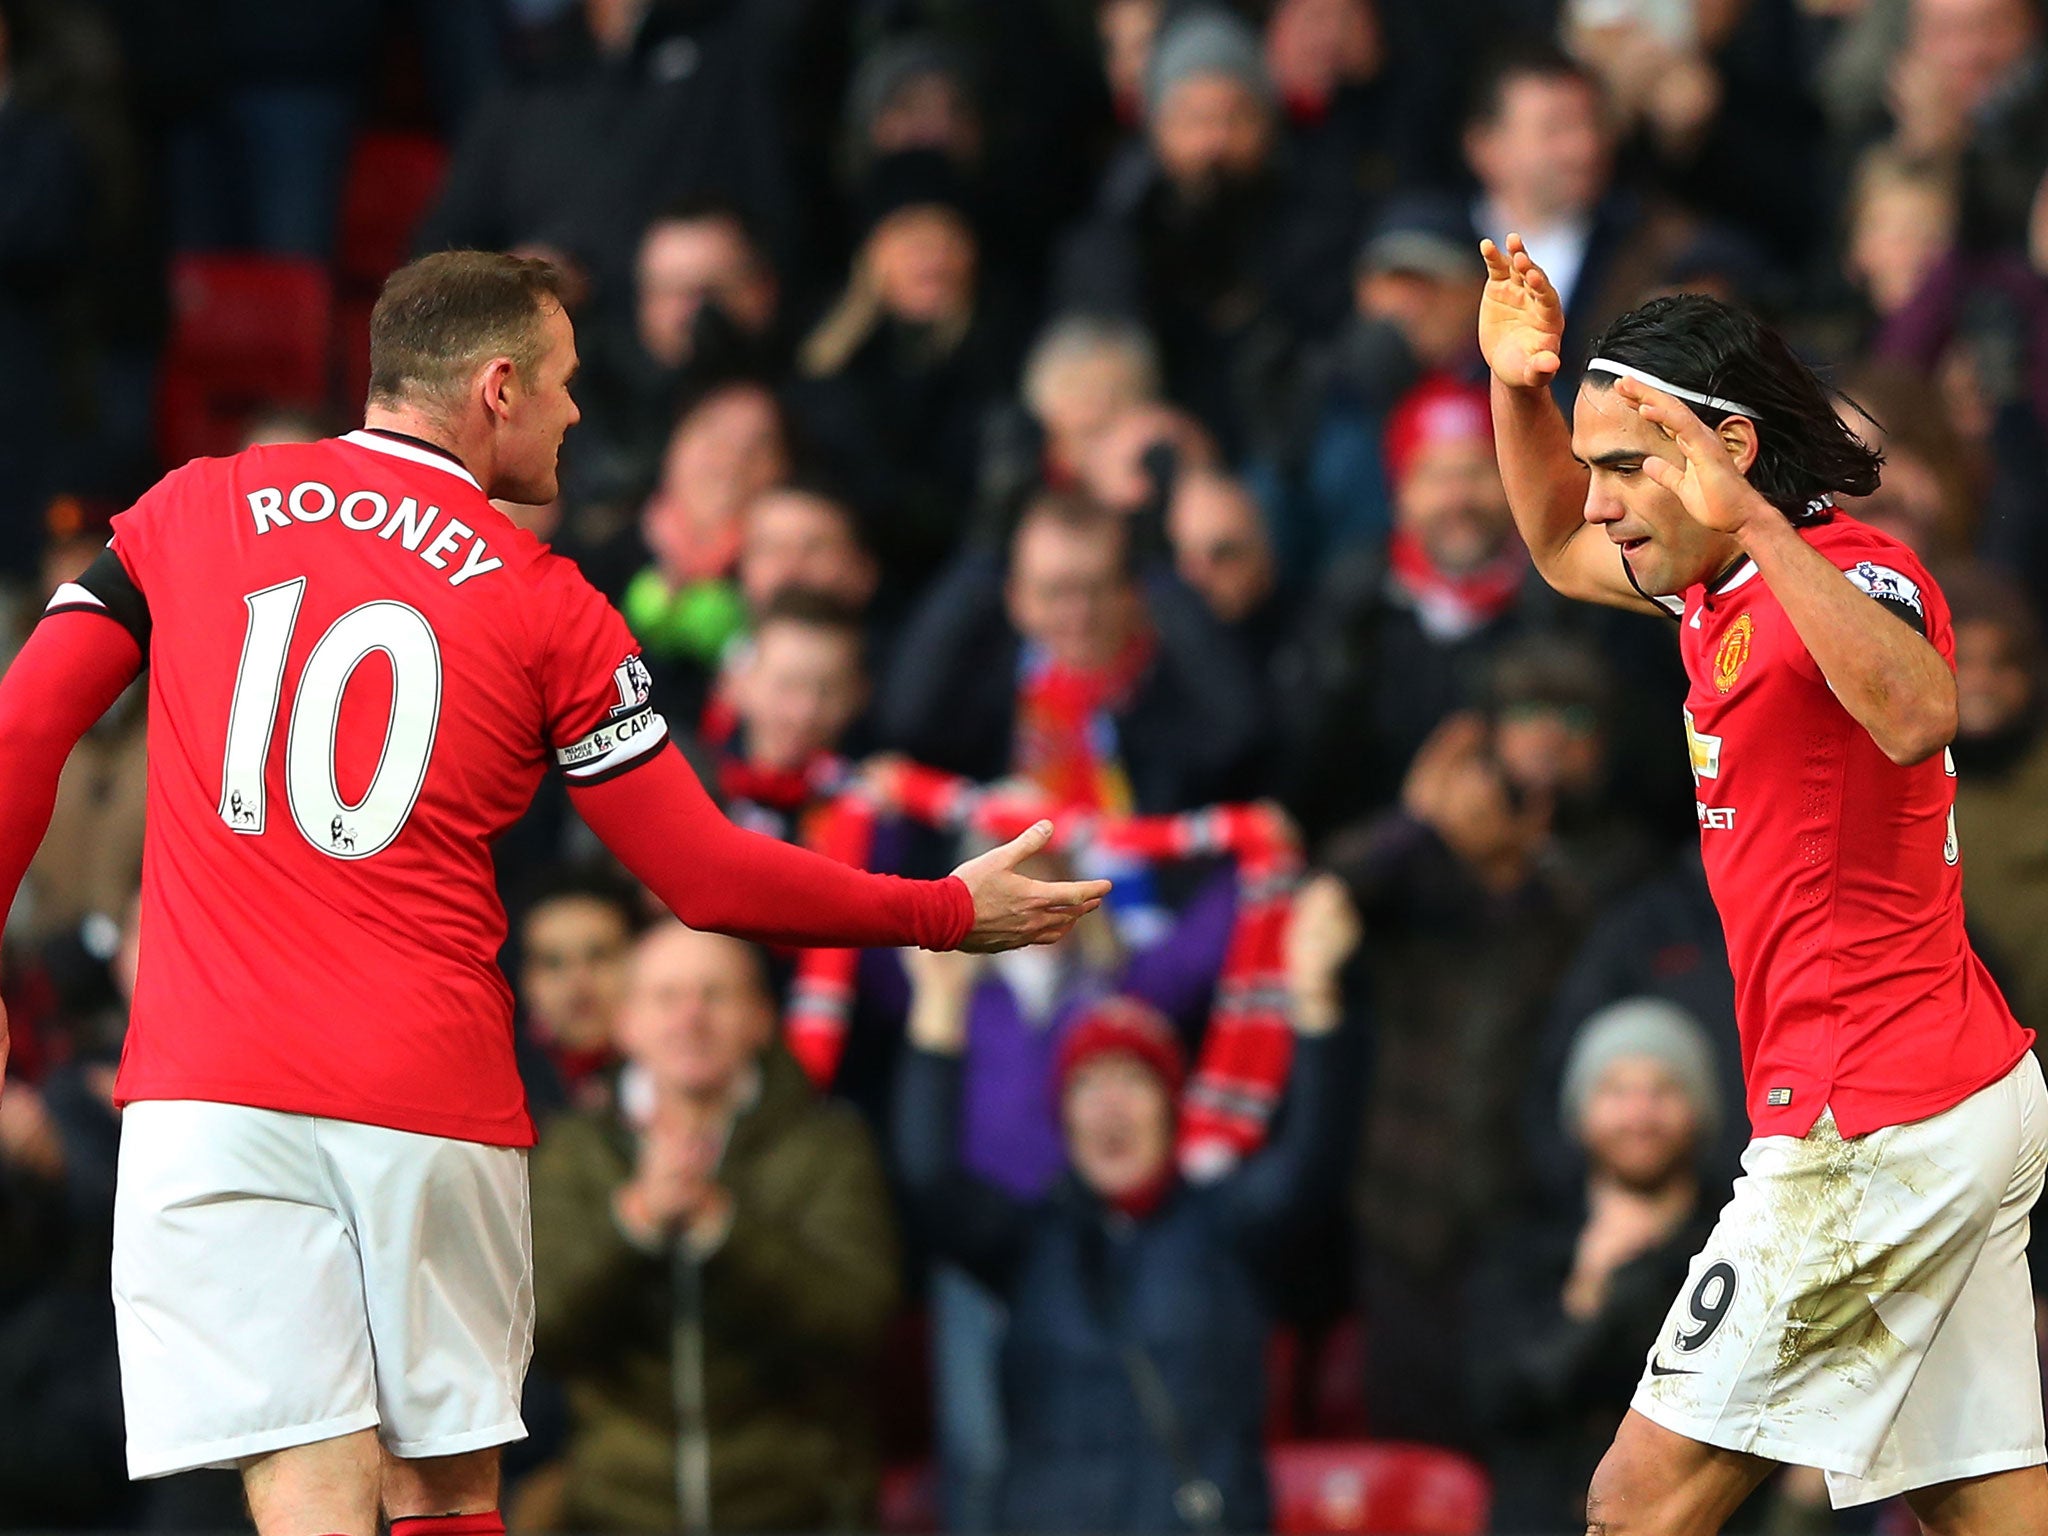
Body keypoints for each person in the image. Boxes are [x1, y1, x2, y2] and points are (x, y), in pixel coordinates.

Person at [0, 249, 1111, 1536]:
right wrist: (935, 910)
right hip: (423, 1097)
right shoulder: (550, 606)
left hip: (204, 1094)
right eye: (567, 383)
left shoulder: (191, 510)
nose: (580, 413)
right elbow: (699, 874)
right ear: (498, 386)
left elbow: (25, 726)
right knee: (442, 1490)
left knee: (302, 1488)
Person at [1479, 231, 2045, 1528]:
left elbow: (1916, 713)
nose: (1606, 497)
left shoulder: (1858, 573)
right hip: (1942, 1097)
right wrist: (1519, 390)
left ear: (1728, 453)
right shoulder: (1709, 585)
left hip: (1877, 1121)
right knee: (1985, 1510)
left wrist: (1754, 529)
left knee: (1635, 1502)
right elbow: (1561, 550)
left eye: (1627, 465)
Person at [893, 872, 1357, 1535]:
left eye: (1132, 1080)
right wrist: (938, 1009)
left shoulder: (1229, 1226)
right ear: (1064, 1120)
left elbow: (1314, 1160)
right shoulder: (1028, 1244)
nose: (1110, 1104)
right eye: (1087, 1084)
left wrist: (1315, 998)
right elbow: (927, 1175)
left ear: (1172, 1111)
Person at [529, 922, 902, 1531]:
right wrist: (636, 1222)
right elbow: (542, 1332)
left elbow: (858, 1327)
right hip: (617, 1513)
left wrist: (723, 1228)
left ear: (760, 1018)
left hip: (799, 1511)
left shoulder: (827, 1143)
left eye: (715, 994)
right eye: (667, 997)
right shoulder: (575, 1151)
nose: (691, 1018)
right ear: (627, 1022)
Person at [1471, 998, 1724, 1534]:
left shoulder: (1738, 1246)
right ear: (1580, 1112)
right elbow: (1496, 1402)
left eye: (1664, 1091)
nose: (1639, 1115)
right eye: (1615, 1091)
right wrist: (1587, 1293)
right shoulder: (1526, 1240)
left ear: (1699, 1109)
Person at [513, 864, 641, 1121]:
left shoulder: (684, 1074)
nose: (577, 983)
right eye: (553, 963)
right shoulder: (496, 1084)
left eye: (599, 956)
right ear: (527, 980)